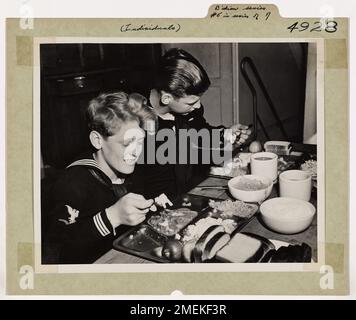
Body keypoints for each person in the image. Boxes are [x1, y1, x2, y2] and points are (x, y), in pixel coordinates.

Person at [43, 92, 157, 264]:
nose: (136, 152)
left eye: (140, 142)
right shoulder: (72, 184)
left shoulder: (132, 170)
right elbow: (56, 252)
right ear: (97, 140)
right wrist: (113, 216)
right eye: (127, 143)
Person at [132, 48, 252, 199]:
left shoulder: (188, 111)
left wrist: (225, 135)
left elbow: (199, 133)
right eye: (191, 102)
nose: (197, 106)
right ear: (166, 99)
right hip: (154, 201)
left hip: (187, 191)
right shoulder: (135, 118)